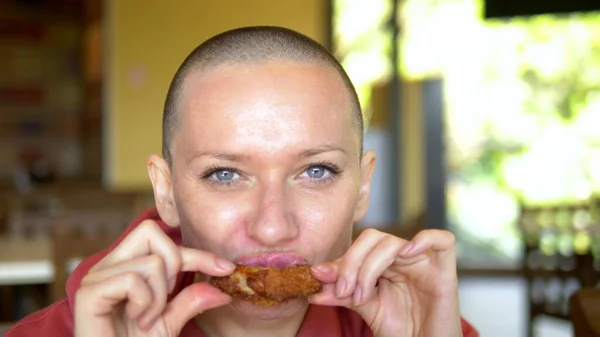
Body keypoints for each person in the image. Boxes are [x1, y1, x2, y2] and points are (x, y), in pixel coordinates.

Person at [6, 26, 478, 337]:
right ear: (166, 192)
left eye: (316, 171)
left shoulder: (423, 325)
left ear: (362, 187)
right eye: (225, 174)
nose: (272, 228)